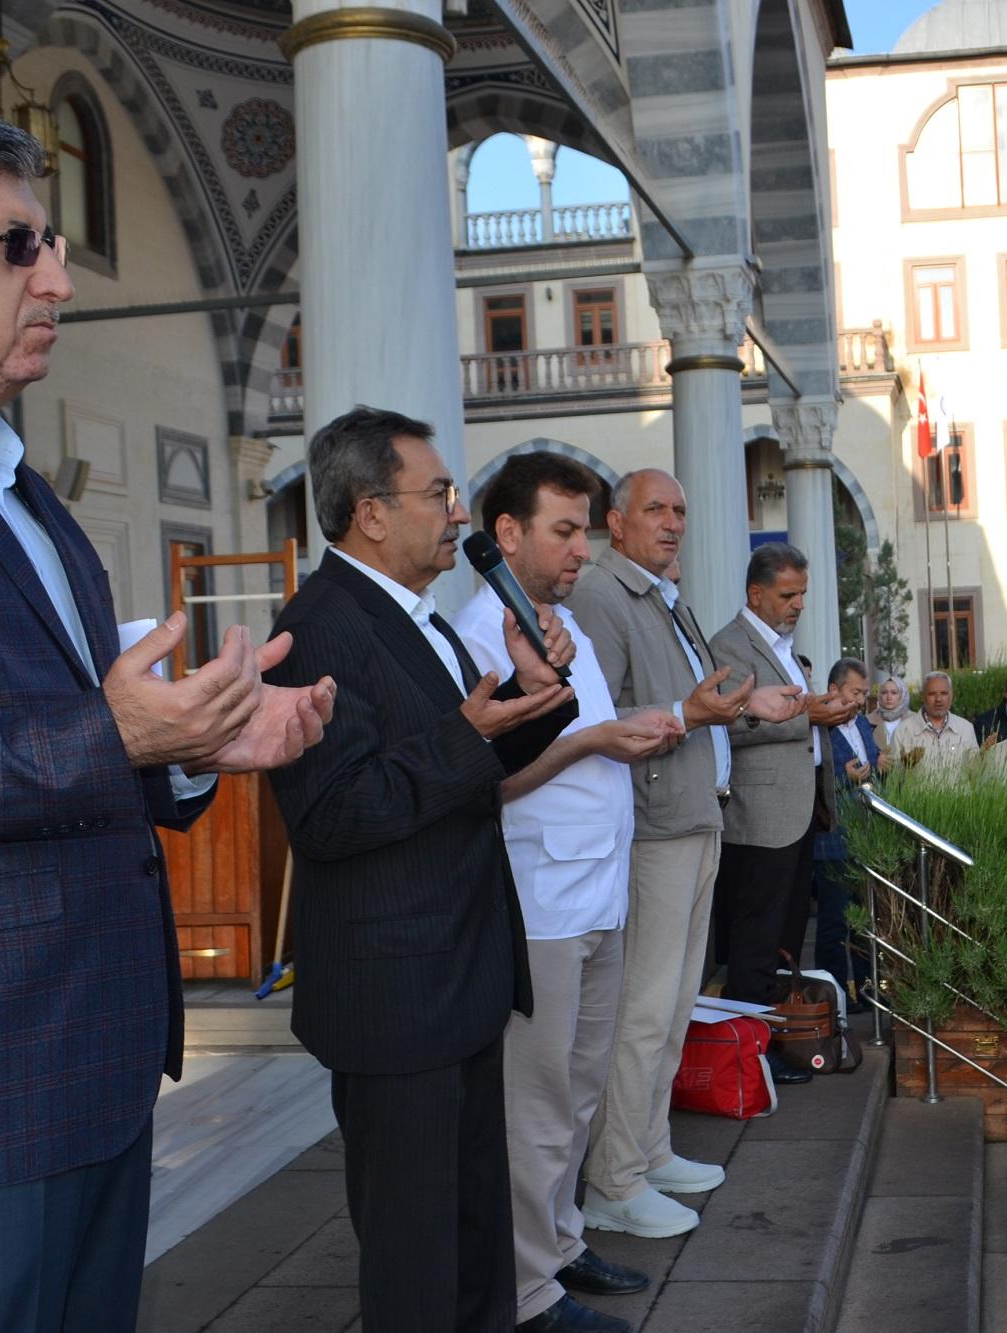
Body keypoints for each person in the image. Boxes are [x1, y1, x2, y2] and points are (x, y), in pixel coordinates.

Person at [0, 107, 333, 1333]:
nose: (60, 276)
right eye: (17, 245)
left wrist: (193, 750)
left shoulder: (8, 478)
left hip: (81, 1078)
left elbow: (77, 730)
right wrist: (109, 740)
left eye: (53, 239)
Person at [261, 408, 577, 1330]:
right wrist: (467, 733)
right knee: (414, 1260)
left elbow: (467, 766)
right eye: (437, 493)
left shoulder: (413, 618)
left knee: (475, 1234)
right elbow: (328, 815)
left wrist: (531, 696)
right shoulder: (317, 629)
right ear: (369, 512)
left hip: (460, 974)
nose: (457, 511)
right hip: (395, 996)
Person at [456, 454, 687, 1333]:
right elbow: (491, 781)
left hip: (597, 890)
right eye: (563, 529)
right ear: (507, 533)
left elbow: (585, 738)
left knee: (579, 1091)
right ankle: (524, 1289)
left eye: (585, 529)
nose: (581, 548)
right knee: (539, 1100)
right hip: (542, 898)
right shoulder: (484, 635)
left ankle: (559, 1240)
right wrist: (597, 741)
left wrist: (630, 734)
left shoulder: (565, 627)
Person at [565, 469, 803, 1240]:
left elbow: (694, 706)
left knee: (671, 1008)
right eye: (656, 510)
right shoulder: (603, 597)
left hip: (694, 818)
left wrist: (748, 704)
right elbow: (589, 716)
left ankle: (649, 1149)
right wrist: (690, 711)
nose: (673, 523)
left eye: (681, 510)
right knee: (641, 1011)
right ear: (617, 520)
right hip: (654, 827)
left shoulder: (663, 593)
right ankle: (613, 1180)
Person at [709, 543, 856, 1059]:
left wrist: (829, 710)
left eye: (803, 595)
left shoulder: (785, 647)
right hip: (758, 819)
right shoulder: (730, 645)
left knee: (787, 940)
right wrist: (810, 716)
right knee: (754, 945)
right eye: (787, 595)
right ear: (756, 593)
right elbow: (725, 725)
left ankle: (774, 1045)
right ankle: (748, 1057)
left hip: (799, 814)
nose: (798, 605)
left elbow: (795, 717)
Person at [815, 657, 882, 998]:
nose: (860, 700)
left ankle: (869, 991)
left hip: (864, 839)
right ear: (833, 689)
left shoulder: (861, 725)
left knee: (865, 921)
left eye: (864, 693)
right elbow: (811, 776)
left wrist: (881, 765)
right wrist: (844, 775)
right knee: (833, 923)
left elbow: (872, 765)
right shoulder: (817, 729)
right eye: (855, 692)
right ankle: (835, 997)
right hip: (831, 842)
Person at [887, 670, 976, 775]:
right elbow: (892, 781)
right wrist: (905, 766)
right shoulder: (902, 732)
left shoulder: (966, 728)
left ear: (951, 696)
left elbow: (976, 774)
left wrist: (986, 754)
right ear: (923, 696)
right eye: (932, 694)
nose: (938, 699)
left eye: (944, 693)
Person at [871, 672, 910, 748]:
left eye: (894, 693)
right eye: (884, 692)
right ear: (880, 695)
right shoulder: (868, 721)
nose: (889, 697)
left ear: (902, 695)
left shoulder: (914, 719)